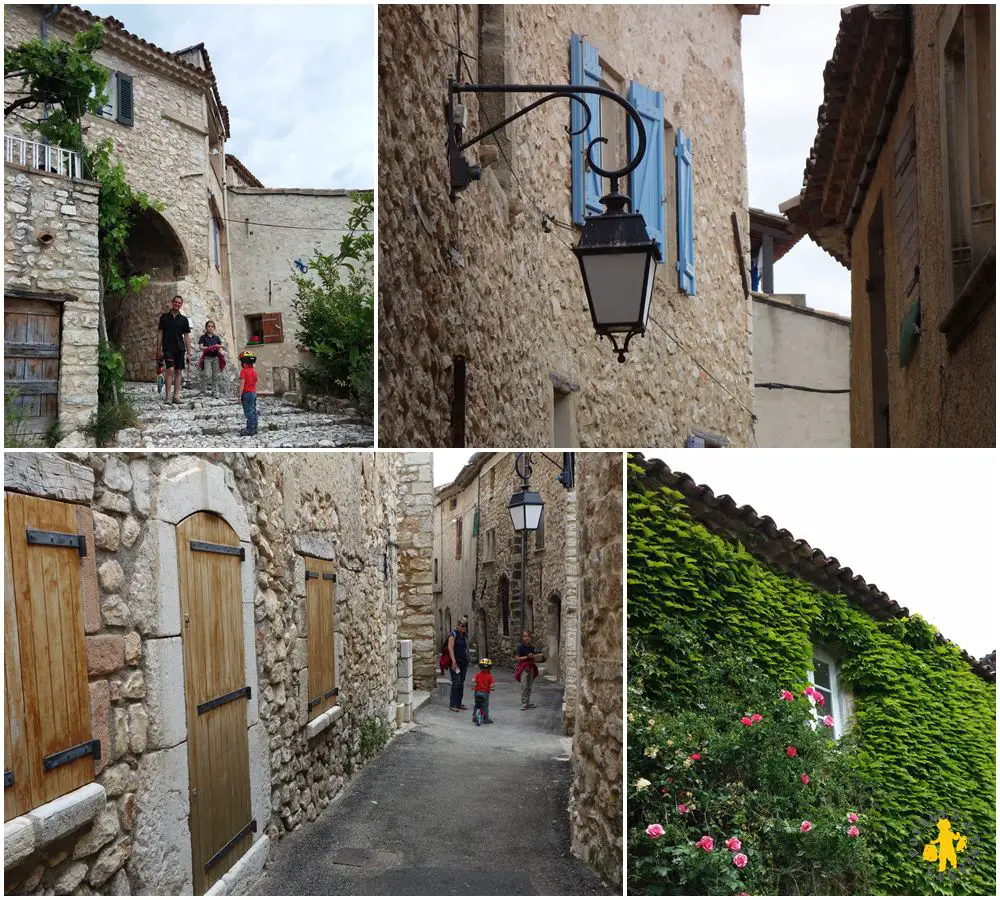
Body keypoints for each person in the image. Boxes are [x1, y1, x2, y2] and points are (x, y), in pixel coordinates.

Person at [157, 295, 191, 403]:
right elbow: (160, 333)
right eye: (175, 302)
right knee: (170, 370)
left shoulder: (184, 319)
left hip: (180, 349)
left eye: (179, 303)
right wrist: (158, 350)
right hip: (167, 348)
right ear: (172, 302)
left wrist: (189, 353)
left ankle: (176, 396)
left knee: (178, 372)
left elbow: (186, 336)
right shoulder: (164, 317)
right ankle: (167, 397)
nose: (177, 304)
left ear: (181, 305)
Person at [447, 618, 470, 711]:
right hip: (455, 662)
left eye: (466, 626)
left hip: (463, 662)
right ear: (458, 625)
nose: (464, 628)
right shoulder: (453, 635)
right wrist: (453, 661)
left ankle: (459, 703)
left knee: (461, 682)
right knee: (456, 681)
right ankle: (452, 704)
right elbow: (450, 648)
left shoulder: (465, 636)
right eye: (462, 626)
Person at [197, 320, 225, 396]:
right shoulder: (203, 337)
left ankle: (215, 392)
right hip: (207, 358)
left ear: (214, 328)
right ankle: (203, 391)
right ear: (206, 327)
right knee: (206, 374)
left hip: (215, 358)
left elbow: (221, 346)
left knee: (215, 376)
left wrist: (219, 347)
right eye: (209, 326)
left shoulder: (216, 338)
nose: (210, 328)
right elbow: (201, 347)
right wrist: (210, 347)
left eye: (212, 326)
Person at [515, 630, 540, 711]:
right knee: (524, 685)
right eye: (524, 636)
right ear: (522, 638)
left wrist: (533, 656)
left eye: (528, 636)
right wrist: (527, 657)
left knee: (529, 685)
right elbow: (517, 658)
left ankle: (527, 702)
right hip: (523, 667)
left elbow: (534, 657)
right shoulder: (520, 647)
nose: (526, 638)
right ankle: (524, 702)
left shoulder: (531, 647)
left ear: (530, 637)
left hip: (531, 666)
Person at [236, 350, 259, 436]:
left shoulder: (243, 371)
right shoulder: (254, 371)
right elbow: (255, 382)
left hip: (246, 394)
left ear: (244, 363)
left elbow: (242, 383)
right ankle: (255, 428)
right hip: (253, 393)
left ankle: (250, 429)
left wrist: (239, 395)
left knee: (248, 412)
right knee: (253, 411)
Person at [472, 658, 495, 725]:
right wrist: (492, 687)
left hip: (477, 692)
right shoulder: (489, 676)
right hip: (485, 693)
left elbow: (473, 680)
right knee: (485, 706)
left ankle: (474, 716)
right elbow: (491, 685)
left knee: (476, 705)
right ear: (490, 668)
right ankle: (486, 719)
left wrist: (474, 684)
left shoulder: (478, 674)